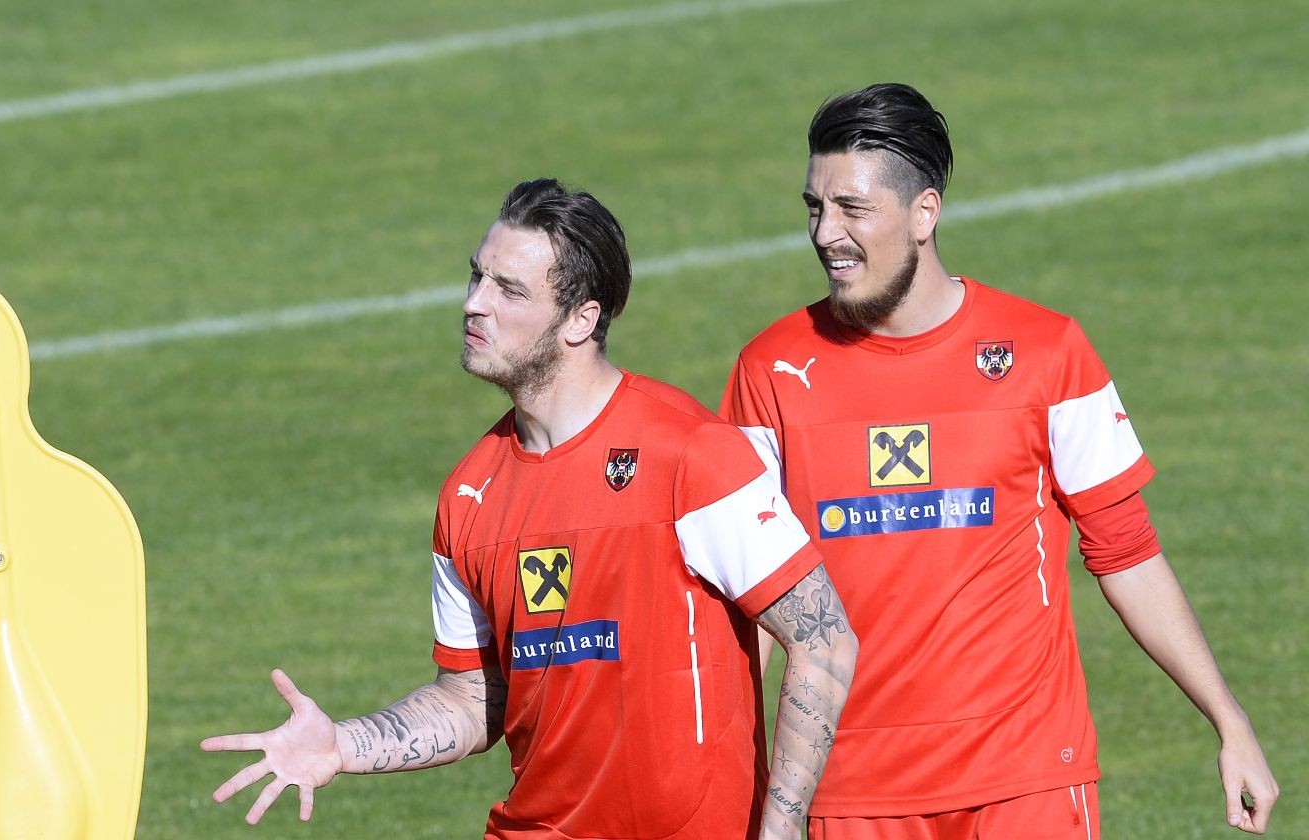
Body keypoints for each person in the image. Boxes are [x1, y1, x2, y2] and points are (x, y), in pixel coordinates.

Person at [203, 179, 857, 839]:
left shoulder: (692, 457)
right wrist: (342, 746)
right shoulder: (468, 495)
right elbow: (471, 699)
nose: (472, 304)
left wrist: (779, 828)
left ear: (581, 318)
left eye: (508, 290)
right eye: (476, 277)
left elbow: (823, 638)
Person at [720, 83, 1279, 838]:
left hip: (1026, 783)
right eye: (815, 207)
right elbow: (749, 602)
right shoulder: (771, 372)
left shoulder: (1049, 354)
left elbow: (1126, 552)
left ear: (924, 213)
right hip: (850, 794)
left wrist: (1229, 721)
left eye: (853, 209)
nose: (826, 233)